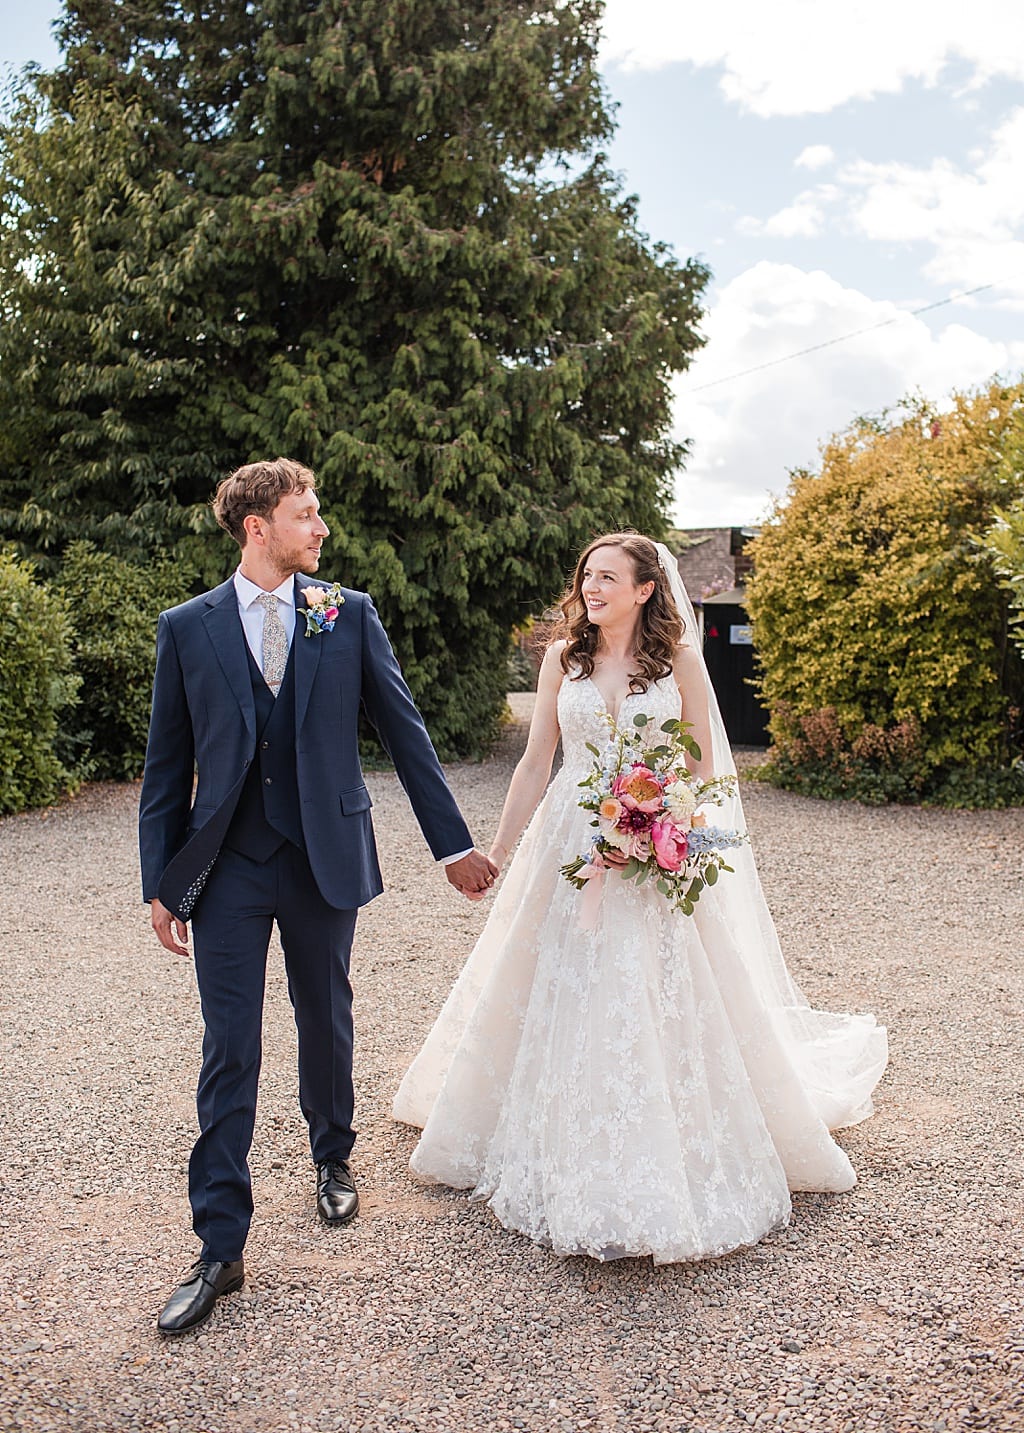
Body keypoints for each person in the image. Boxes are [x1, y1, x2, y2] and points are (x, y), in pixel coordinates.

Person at [393, 532, 888, 1264]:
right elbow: (535, 765)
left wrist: (666, 824)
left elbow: (702, 766)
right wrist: (497, 849)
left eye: (608, 578)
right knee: (561, 979)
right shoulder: (564, 657)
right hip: (570, 840)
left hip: (655, 844)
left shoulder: (680, 661)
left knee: (652, 984)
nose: (592, 589)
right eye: (587, 576)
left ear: (645, 589)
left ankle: (665, 1138)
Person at [139, 457, 496, 1333]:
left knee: (325, 1013)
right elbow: (164, 767)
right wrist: (161, 882)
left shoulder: (347, 613)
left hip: (323, 854)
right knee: (230, 1043)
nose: (322, 528)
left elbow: (404, 732)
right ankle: (220, 1246)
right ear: (258, 526)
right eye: (307, 514)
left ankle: (332, 1158)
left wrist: (451, 843)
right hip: (226, 866)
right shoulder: (187, 628)